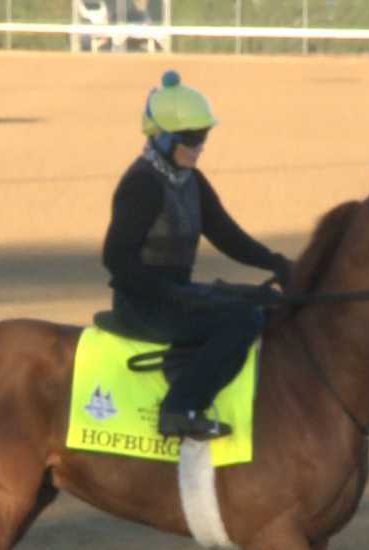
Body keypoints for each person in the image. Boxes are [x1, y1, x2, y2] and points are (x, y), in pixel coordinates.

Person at [102, 70, 292, 441]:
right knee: (242, 322)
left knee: (268, 301)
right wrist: (172, 293)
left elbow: (226, 235)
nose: (201, 144)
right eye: (192, 137)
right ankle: (179, 407)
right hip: (141, 303)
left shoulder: (191, 179)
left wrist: (276, 262)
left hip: (175, 294)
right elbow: (116, 258)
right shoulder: (142, 184)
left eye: (204, 134)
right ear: (162, 138)